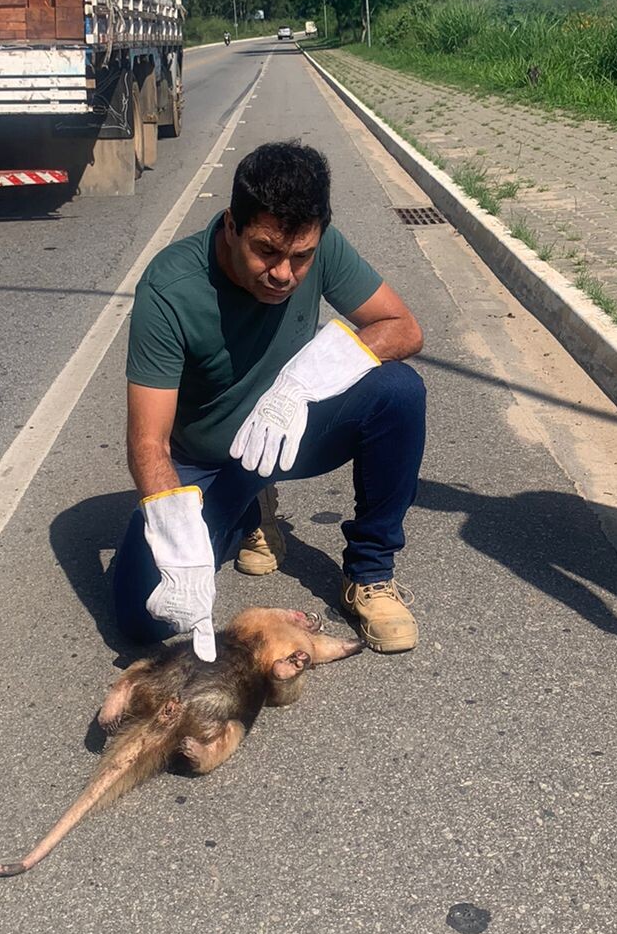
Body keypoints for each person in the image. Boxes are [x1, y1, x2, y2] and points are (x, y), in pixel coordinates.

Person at [112, 140, 426, 657]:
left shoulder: (320, 247)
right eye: (266, 251)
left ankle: (370, 573)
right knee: (145, 615)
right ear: (232, 225)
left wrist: (301, 382)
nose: (284, 274)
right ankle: (250, 511)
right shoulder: (171, 287)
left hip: (287, 427)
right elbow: (148, 442)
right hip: (208, 461)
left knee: (398, 391)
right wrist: (176, 539)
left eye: (301, 256)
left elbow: (403, 328)